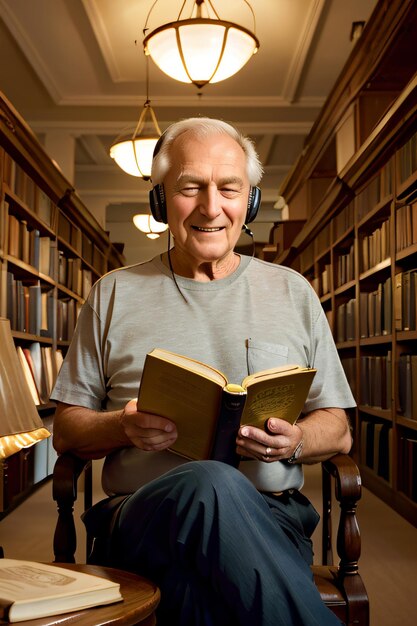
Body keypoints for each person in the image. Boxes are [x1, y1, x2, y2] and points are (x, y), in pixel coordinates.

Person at [51, 117, 355, 626]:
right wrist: (119, 426)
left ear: (250, 202)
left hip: (271, 520)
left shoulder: (293, 292)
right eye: (190, 188)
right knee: (212, 483)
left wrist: (295, 439)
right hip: (141, 520)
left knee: (197, 594)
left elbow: (339, 427)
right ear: (160, 200)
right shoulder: (112, 293)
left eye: (229, 189)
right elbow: (66, 427)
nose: (212, 207)